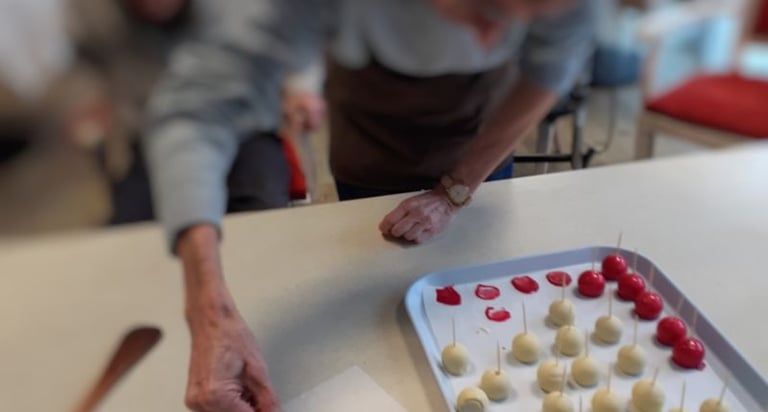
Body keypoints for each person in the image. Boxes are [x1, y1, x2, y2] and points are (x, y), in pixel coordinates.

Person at [143, 0, 595, 411]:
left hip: (480, 143)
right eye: (488, 9)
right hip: (371, 145)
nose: (491, 39)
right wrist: (209, 314)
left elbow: (548, 72)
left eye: (532, 15)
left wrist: (458, 189)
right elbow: (197, 112)